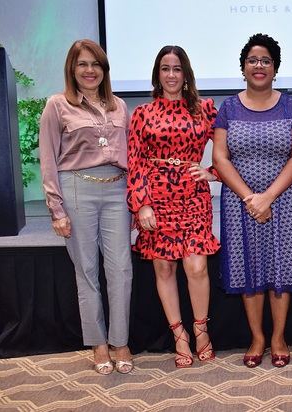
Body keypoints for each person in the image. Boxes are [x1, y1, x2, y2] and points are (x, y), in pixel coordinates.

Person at [212, 33, 292, 368]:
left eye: (265, 60)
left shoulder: (289, 105)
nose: (259, 65)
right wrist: (249, 198)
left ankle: (279, 337)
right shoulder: (228, 107)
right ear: (243, 67)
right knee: (247, 269)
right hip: (240, 203)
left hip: (282, 200)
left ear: (274, 67)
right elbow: (220, 158)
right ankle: (257, 337)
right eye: (252, 60)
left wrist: (268, 196)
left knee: (280, 268)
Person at [39, 39, 133, 375]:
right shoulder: (57, 105)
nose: (90, 71)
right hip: (77, 189)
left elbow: (131, 156)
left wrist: (136, 201)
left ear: (104, 70)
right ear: (72, 69)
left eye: (96, 64)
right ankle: (98, 343)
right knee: (87, 271)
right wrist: (56, 208)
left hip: (117, 190)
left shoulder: (120, 106)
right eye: (83, 64)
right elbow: (48, 158)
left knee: (121, 269)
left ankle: (120, 341)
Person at [127, 45, 219, 368]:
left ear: (186, 73)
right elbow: (135, 162)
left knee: (196, 266)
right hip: (157, 199)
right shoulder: (142, 114)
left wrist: (213, 172)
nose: (171, 75)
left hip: (193, 195)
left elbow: (228, 147)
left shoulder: (205, 109)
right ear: (157, 75)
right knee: (164, 267)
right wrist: (141, 205)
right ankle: (179, 335)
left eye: (176, 68)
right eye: (165, 69)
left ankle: (201, 329)